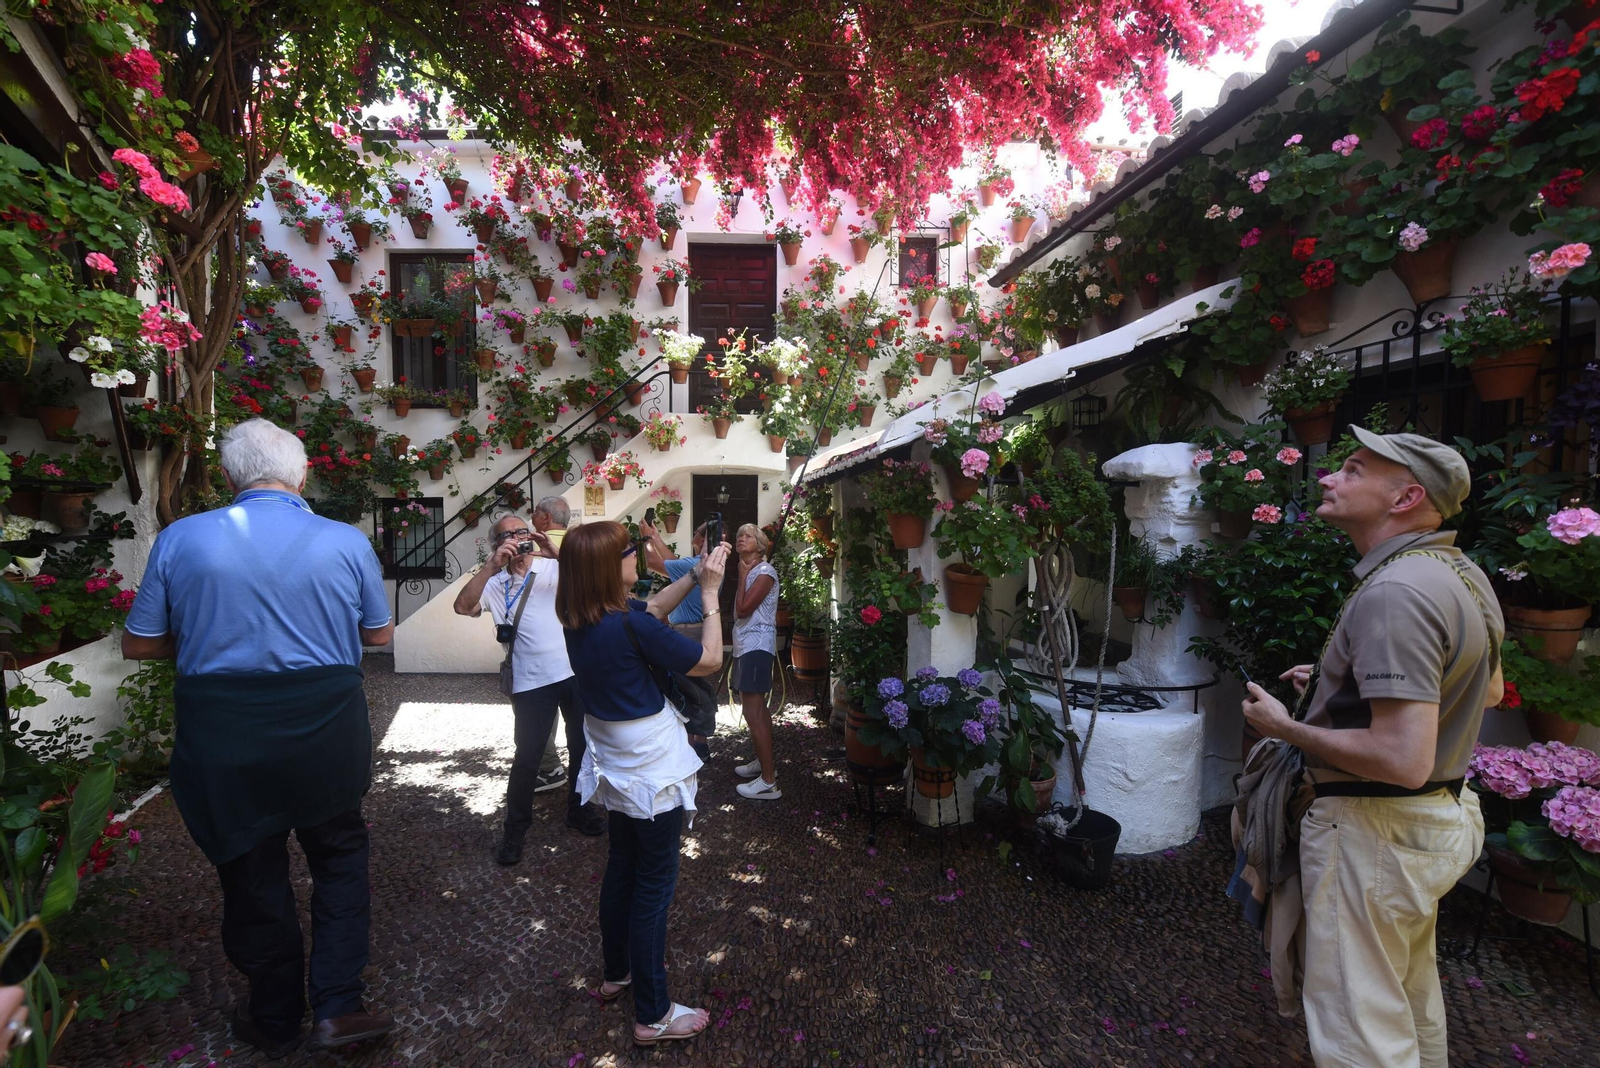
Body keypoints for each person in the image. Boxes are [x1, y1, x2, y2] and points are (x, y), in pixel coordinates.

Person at [122, 419, 396, 1057]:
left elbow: (138, 642)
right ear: (302, 476)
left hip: (225, 733)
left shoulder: (180, 538)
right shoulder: (345, 541)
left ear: (227, 477)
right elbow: (378, 636)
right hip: (325, 730)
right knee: (338, 859)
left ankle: (274, 1016)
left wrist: (213, 637)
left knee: (250, 868)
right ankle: (337, 1006)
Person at [1241, 428, 1502, 1068]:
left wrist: (1284, 728)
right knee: (1406, 1000)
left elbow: (1401, 759)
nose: (1330, 478)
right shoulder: (1458, 572)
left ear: (1407, 497)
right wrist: (1344, 677)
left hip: (1376, 831)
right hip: (1435, 822)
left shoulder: (1396, 592)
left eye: (1354, 470)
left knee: (1360, 1030)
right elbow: (1486, 690)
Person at [552, 520, 728, 1047]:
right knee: (654, 886)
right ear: (612, 567)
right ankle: (653, 1015)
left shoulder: (582, 618)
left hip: (617, 765)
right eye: (631, 551)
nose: (639, 555)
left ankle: (616, 973)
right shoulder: (628, 626)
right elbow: (710, 660)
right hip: (653, 771)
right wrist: (713, 596)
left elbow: (649, 612)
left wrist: (695, 574)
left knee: (623, 868)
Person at [452, 501, 605, 863]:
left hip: (572, 672)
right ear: (495, 545)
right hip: (530, 681)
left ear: (532, 534)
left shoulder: (554, 568)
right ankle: (515, 830)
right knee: (527, 758)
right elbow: (462, 607)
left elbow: (591, 584)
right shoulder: (494, 582)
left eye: (520, 532)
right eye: (505, 535)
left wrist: (554, 552)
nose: (515, 539)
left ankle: (578, 809)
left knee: (582, 746)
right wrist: (490, 567)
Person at [730, 523, 781, 800]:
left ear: (760, 545)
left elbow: (742, 610)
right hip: (747, 647)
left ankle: (769, 781)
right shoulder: (755, 572)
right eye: (739, 535)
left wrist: (742, 575)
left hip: (756, 647)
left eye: (748, 535)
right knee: (758, 709)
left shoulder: (764, 572)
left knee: (752, 712)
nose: (741, 539)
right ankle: (764, 764)